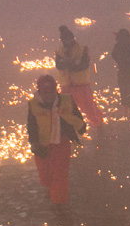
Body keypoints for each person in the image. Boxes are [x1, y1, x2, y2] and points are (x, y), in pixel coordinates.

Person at [26, 75, 86, 204]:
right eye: (45, 92)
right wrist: (34, 143)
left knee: (60, 174)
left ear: (56, 89)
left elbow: (78, 118)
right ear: (40, 91)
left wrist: (80, 127)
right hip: (42, 144)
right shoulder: (34, 105)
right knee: (45, 175)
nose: (49, 95)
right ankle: (53, 190)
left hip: (62, 142)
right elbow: (31, 126)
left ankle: (59, 202)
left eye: (51, 91)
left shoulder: (66, 101)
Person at [54, 25, 104, 128]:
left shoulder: (82, 49)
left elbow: (84, 65)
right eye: (66, 39)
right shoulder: (59, 51)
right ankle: (70, 133)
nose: (68, 41)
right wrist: (73, 64)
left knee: (90, 110)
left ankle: (99, 129)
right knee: (65, 112)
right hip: (67, 86)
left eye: (69, 38)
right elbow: (59, 65)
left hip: (81, 86)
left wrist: (68, 65)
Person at [111, 28, 130, 119]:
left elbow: (113, 55)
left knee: (123, 90)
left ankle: (124, 110)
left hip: (122, 71)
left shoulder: (117, 47)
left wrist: (120, 62)